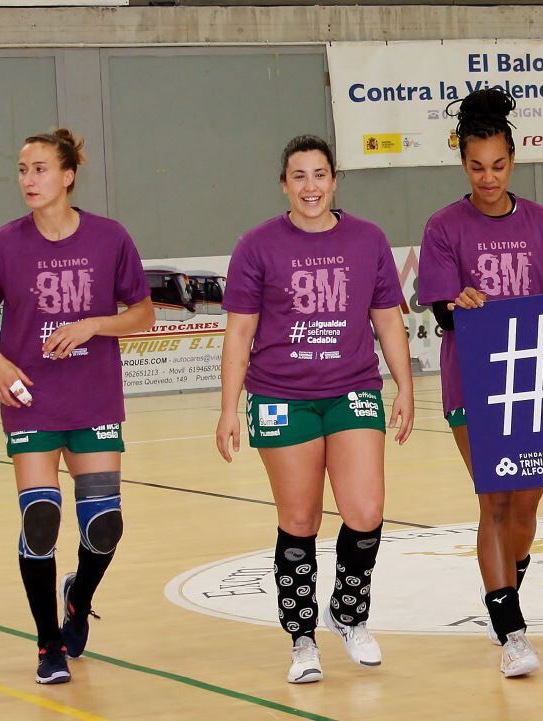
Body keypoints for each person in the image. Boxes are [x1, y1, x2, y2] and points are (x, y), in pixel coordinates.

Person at [215, 134, 413, 684]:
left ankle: (348, 615)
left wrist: (404, 385)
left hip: (351, 390)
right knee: (299, 519)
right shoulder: (257, 246)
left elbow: (388, 318)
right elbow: (239, 332)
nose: (310, 186)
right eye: (299, 176)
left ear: (335, 180)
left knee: (366, 510)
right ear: (284, 185)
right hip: (281, 397)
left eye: (320, 174)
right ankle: (302, 637)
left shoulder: (367, 239)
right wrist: (230, 408)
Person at [0, 129, 155, 684]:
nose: (29, 179)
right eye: (23, 169)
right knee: (41, 520)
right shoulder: (2, 245)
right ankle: (48, 644)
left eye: (41, 168)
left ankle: (79, 597)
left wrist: (95, 323)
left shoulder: (109, 238)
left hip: (93, 397)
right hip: (32, 401)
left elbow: (142, 315)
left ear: (68, 175)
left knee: (105, 529)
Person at [418, 88, 543, 678]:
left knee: (526, 502)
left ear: (512, 161)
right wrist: (458, 304)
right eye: (475, 166)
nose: (487, 178)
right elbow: (440, 309)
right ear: (462, 164)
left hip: (542, 386)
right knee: (494, 498)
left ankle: (505, 588)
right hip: (473, 387)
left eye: (497, 165)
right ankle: (511, 628)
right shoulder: (443, 225)